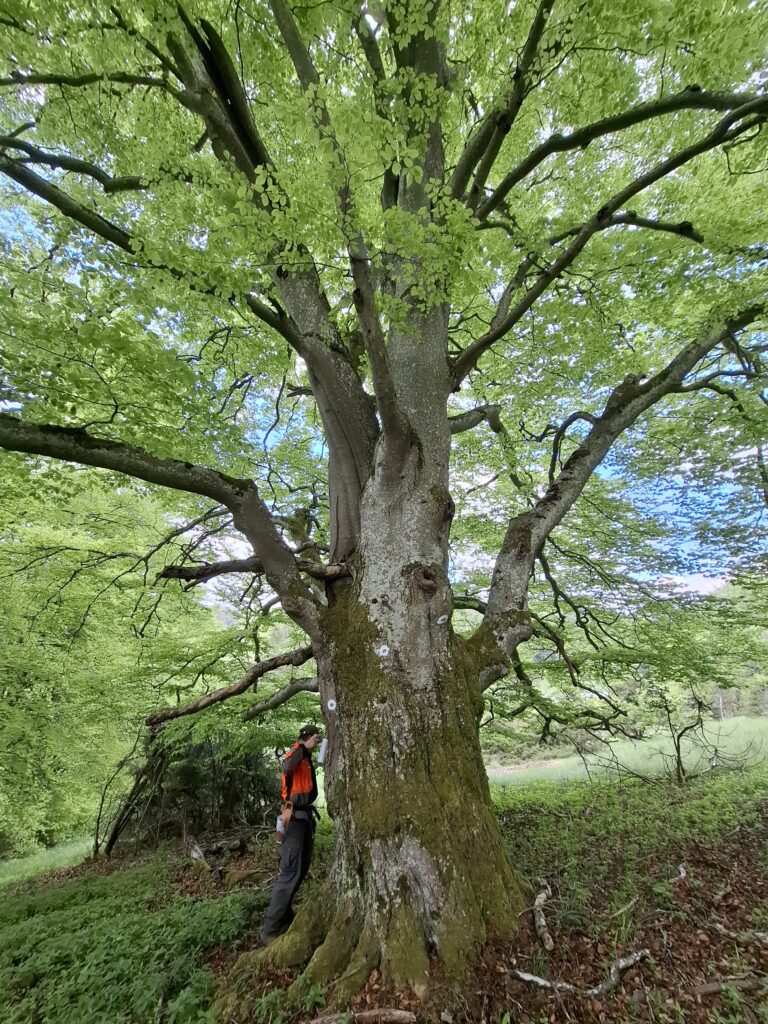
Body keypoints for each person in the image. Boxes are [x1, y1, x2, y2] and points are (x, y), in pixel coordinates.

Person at [260, 723, 322, 943]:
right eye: (315, 738)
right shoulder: (295, 753)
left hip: (304, 819)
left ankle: (285, 913)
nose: (317, 742)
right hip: (293, 819)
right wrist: (305, 747)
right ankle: (270, 930)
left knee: (302, 866)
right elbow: (287, 767)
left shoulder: (305, 757)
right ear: (306, 738)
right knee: (289, 871)